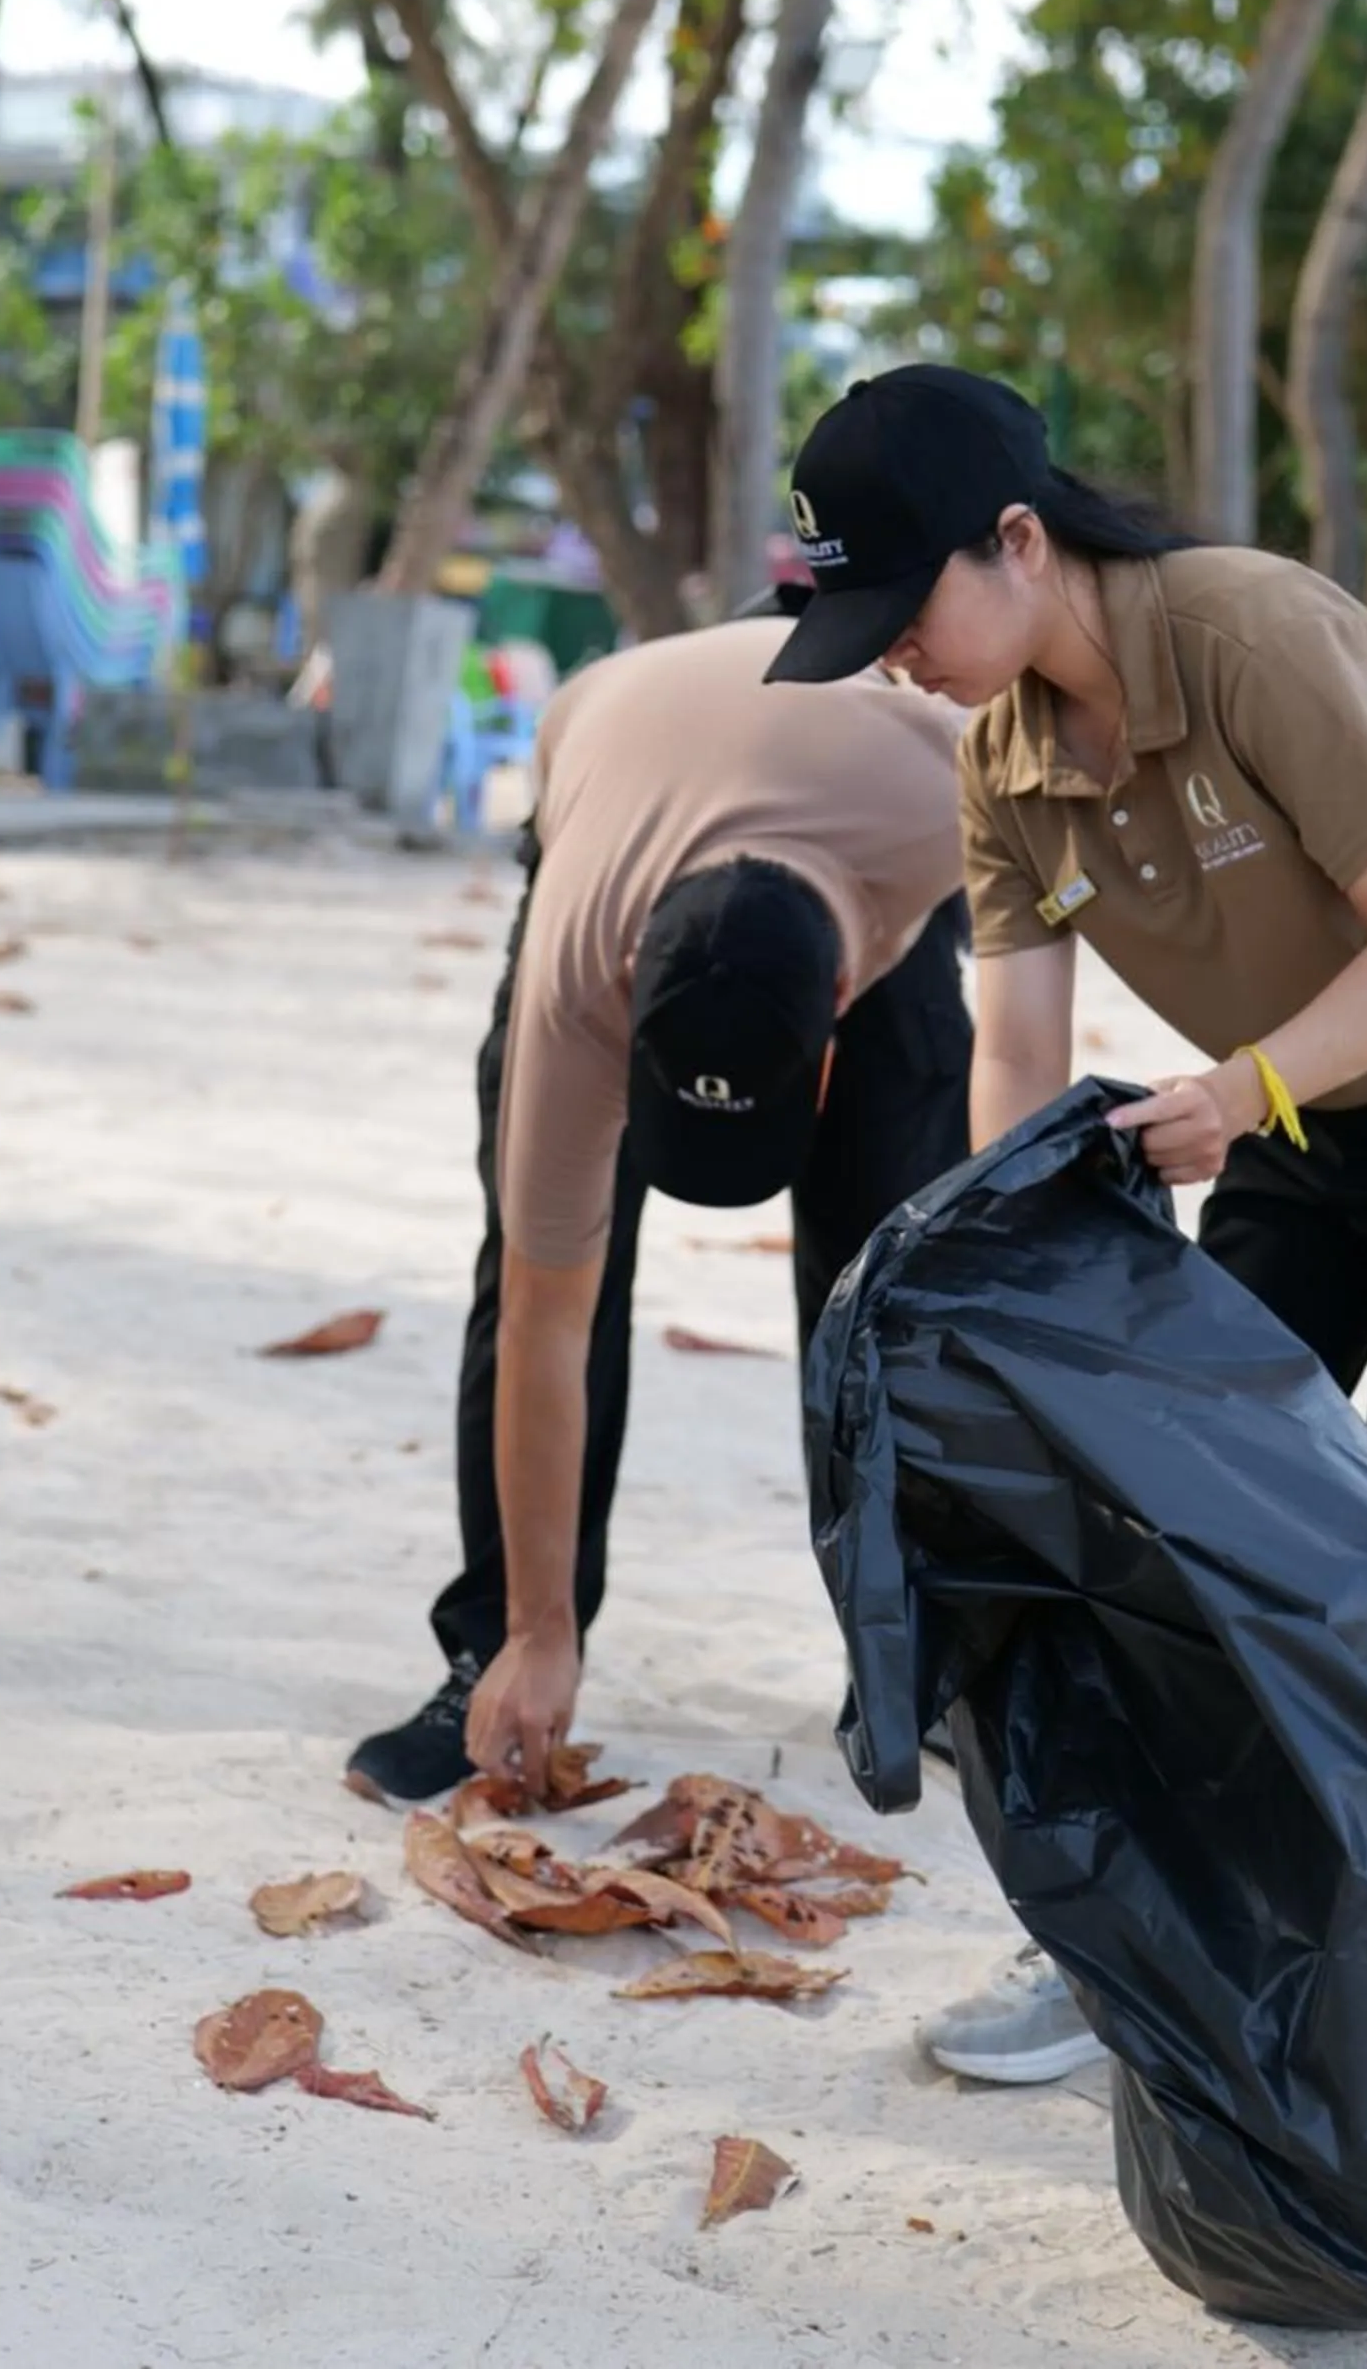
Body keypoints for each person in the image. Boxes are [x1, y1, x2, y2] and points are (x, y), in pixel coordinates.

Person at [768, 363, 1367, 2083]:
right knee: (1189, 1536)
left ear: (1015, 539)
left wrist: (1235, 1101)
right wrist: (998, 1275)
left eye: (899, 604)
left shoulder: (1248, 634)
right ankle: (1137, 1962)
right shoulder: (1000, 763)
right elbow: (1013, 1051)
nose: (889, 656)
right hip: (1289, 1109)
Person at [347, 614, 972, 1805]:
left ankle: (916, 1660)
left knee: (902, 1286)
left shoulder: (953, 800)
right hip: (623, 795)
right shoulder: (582, 970)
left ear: (839, 1015)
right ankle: (499, 1645)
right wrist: (541, 1629)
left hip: (855, 811)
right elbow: (546, 1315)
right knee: (538, 1251)